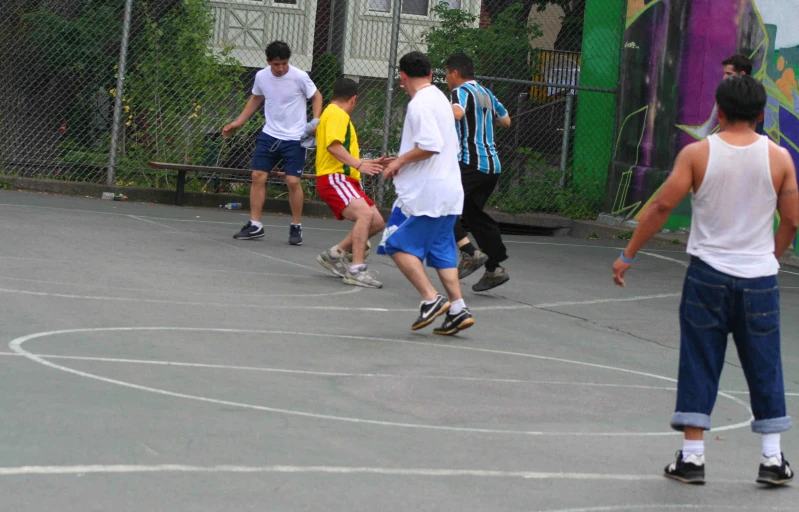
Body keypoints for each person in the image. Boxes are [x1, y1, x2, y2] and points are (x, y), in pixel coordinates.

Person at [611, 76, 798, 486]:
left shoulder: (697, 153)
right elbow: (793, 221)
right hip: (759, 279)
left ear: (720, 110)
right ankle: (772, 458)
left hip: (708, 274)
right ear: (763, 113)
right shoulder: (780, 158)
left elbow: (661, 205)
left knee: (700, 359)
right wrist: (769, 258)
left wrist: (629, 255)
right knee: (764, 363)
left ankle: (692, 457)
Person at [381, 51, 473, 335]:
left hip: (425, 194)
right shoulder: (441, 99)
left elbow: (430, 145)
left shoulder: (419, 104)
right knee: (442, 250)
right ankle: (458, 310)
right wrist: (401, 158)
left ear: (402, 76)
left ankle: (431, 299)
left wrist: (399, 161)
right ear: (432, 74)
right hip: (449, 190)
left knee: (395, 243)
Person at [222, 41, 323, 246]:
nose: (280, 68)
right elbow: (256, 98)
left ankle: (296, 226)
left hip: (295, 137)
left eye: (284, 64)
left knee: (293, 181)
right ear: (268, 62)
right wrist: (238, 122)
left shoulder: (299, 76)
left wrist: (315, 122)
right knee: (258, 176)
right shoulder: (261, 76)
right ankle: (255, 225)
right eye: (276, 64)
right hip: (269, 134)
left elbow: (317, 96)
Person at [445, 52, 512, 291]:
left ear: (455, 73)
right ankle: (494, 269)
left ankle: (469, 252)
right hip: (492, 166)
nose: (447, 79)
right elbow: (506, 121)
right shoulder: (486, 93)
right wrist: (483, 121)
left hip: (471, 164)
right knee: (474, 215)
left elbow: (457, 113)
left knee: (444, 206)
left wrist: (435, 111)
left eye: (447, 74)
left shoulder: (459, 92)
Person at [314, 78, 387, 288]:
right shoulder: (337, 114)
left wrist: (364, 163)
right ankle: (356, 270)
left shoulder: (331, 113)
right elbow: (333, 147)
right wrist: (358, 164)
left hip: (343, 178)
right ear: (353, 99)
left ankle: (334, 255)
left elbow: (340, 149)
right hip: (334, 177)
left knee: (376, 221)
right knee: (365, 215)